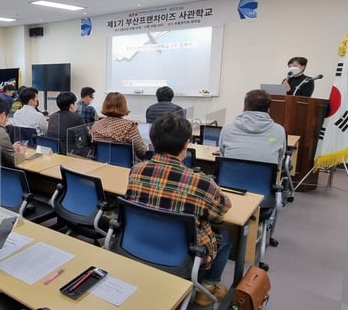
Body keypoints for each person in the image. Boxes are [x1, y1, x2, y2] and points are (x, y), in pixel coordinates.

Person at [125, 112, 231, 306]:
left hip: (138, 242)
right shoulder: (201, 183)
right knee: (225, 236)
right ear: (186, 144)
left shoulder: (136, 170)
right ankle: (208, 286)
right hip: (183, 254)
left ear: (153, 140)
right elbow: (220, 213)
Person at [219, 90, 286, 165]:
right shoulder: (279, 131)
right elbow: (279, 160)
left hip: (230, 175)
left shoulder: (227, 128)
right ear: (268, 110)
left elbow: (223, 155)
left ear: (244, 108)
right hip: (263, 176)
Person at [89, 92, 148, 163]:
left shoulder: (96, 125)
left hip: (101, 166)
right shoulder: (129, 126)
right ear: (123, 106)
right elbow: (141, 151)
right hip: (126, 170)